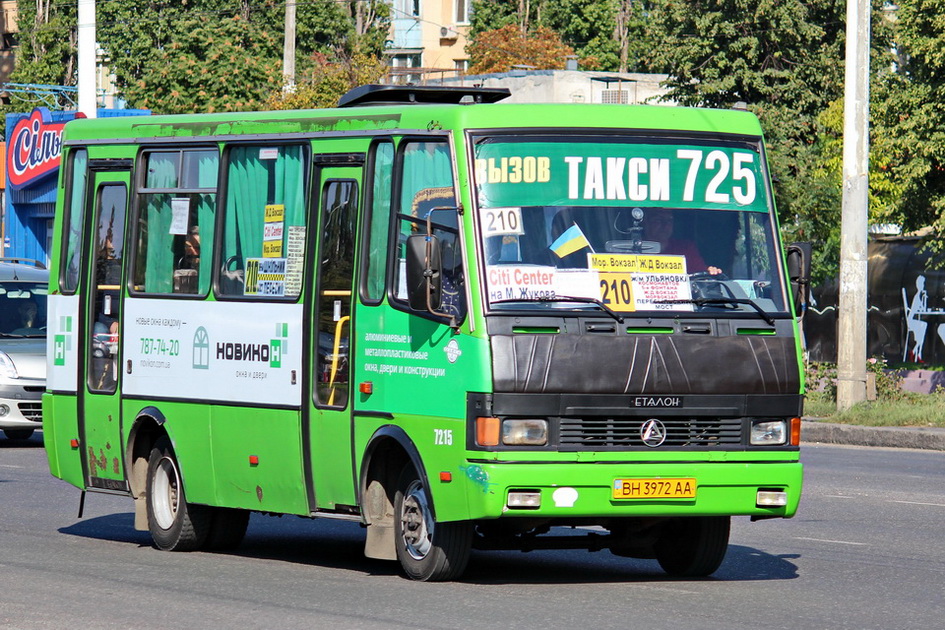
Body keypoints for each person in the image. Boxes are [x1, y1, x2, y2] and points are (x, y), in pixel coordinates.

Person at [643, 209, 722, 275]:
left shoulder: (685, 248)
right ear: (646, 223)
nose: (665, 225)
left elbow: (700, 273)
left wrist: (710, 272)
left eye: (669, 220)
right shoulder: (635, 249)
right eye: (658, 220)